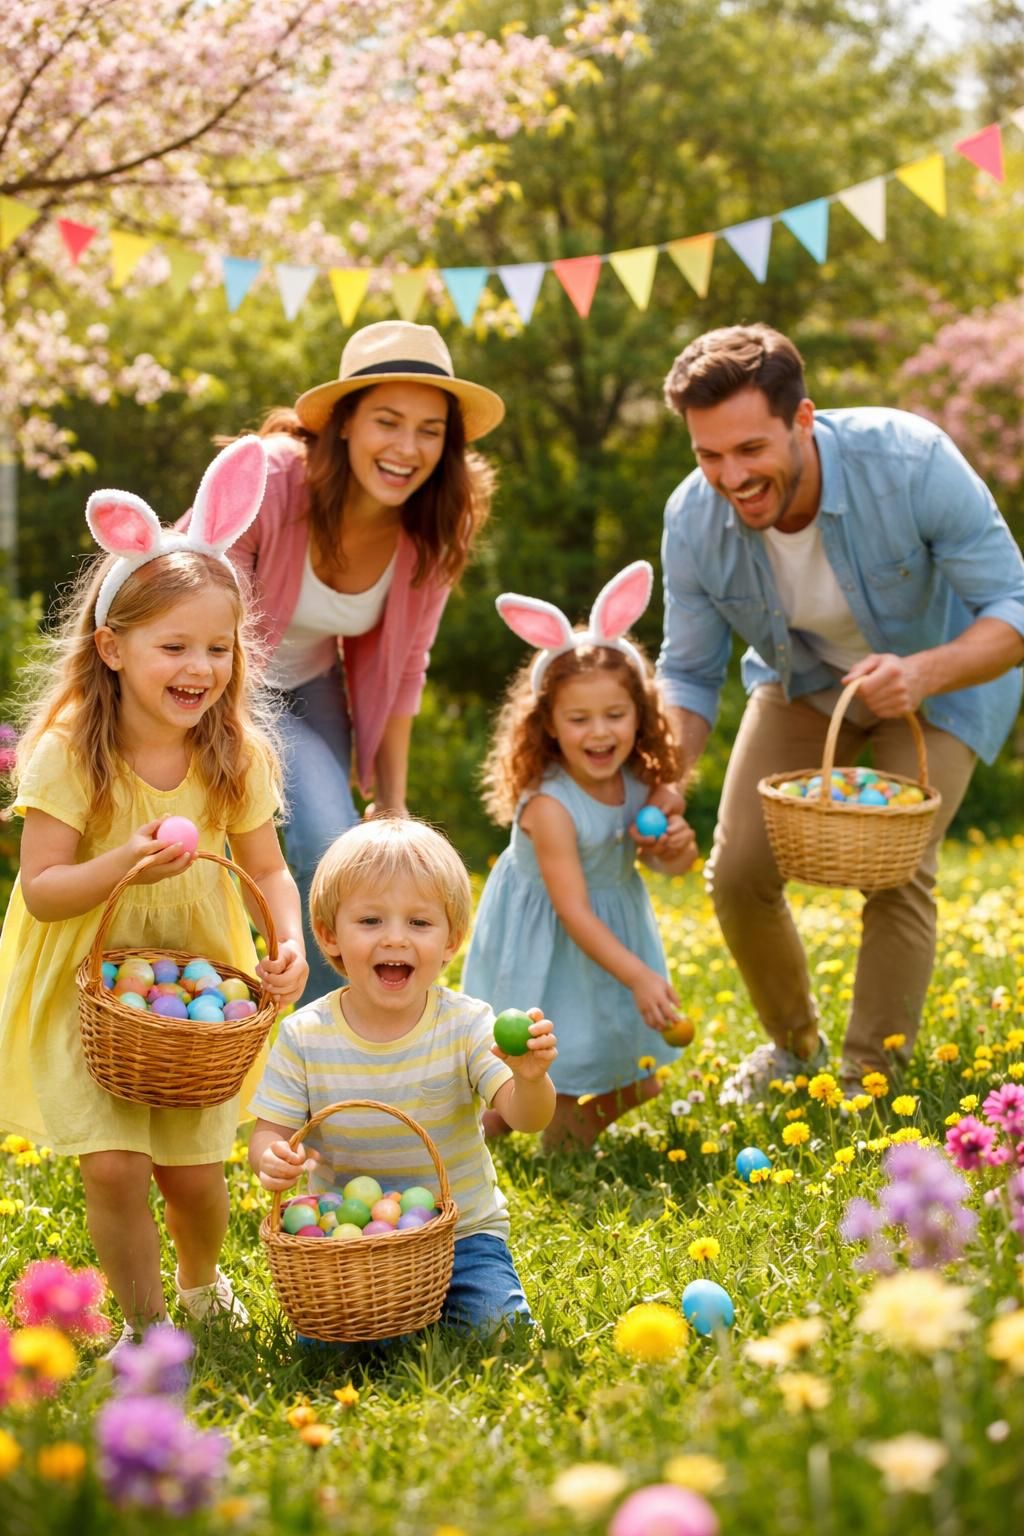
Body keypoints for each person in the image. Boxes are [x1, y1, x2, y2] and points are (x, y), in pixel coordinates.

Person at [657, 322, 1024, 1102]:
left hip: (942, 680)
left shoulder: (911, 461)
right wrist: (666, 779)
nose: (730, 476)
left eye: (750, 450)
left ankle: (868, 1080)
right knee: (738, 873)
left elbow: (1014, 610)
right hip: (804, 684)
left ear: (802, 419)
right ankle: (794, 1051)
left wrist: (923, 674)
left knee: (894, 872)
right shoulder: (693, 519)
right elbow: (689, 674)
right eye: (708, 455)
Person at [0, 438, 309, 1351]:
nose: (199, 668)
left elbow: (269, 867)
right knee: (114, 1167)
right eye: (173, 646)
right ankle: (145, 1327)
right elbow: (46, 890)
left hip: (197, 992)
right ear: (112, 647)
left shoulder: (235, 753)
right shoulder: (68, 751)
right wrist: (121, 865)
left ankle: (205, 1283)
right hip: (87, 989)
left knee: (194, 1175)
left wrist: (284, 938)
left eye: (218, 648)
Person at [221, 319, 505, 1001]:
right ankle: (322, 1030)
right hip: (219, 682)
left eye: (430, 430)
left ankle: (333, 1037)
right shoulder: (272, 479)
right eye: (387, 421)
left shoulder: (436, 521)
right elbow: (203, 601)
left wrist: (394, 797)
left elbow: (408, 667)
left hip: (312, 687)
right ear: (344, 422)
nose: (408, 449)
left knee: (339, 847)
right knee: (324, 842)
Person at [249, 817, 557, 1337]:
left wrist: (528, 1079)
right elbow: (270, 1132)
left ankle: (431, 1308)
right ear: (330, 936)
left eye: (419, 923)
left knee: (498, 1333)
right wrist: (271, 1159)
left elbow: (526, 1118)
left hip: (462, 1236)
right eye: (370, 921)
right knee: (327, 1348)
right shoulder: (305, 1036)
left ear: (451, 940)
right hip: (346, 1244)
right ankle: (397, 1317)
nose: (395, 938)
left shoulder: (466, 1025)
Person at [461, 561, 698, 1151]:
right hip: (554, 936)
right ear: (548, 725)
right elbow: (572, 909)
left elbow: (670, 865)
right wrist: (639, 975)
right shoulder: (550, 807)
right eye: (579, 718)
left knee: (639, 1069)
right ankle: (520, 1125)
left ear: (640, 715)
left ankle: (514, 1124)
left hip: (610, 930)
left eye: (616, 715)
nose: (600, 733)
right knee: (556, 1063)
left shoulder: (640, 785)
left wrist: (675, 848)